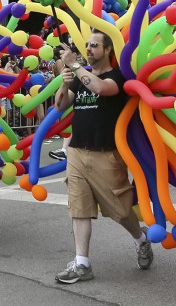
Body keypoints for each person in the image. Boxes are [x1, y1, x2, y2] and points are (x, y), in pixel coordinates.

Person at [52, 31, 152, 283]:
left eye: (94, 45)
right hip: (76, 151)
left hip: (106, 154)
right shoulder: (79, 75)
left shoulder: (117, 76)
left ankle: (141, 239)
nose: (89, 49)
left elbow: (100, 88)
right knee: (79, 208)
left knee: (120, 211)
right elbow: (60, 106)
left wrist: (73, 64)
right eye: (87, 45)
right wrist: (64, 82)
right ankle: (82, 263)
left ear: (107, 50)